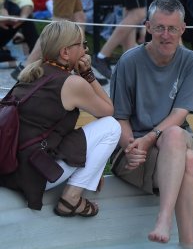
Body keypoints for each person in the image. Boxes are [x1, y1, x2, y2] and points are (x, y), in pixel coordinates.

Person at [109, 0, 193, 246]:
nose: (166, 35)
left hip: (174, 139)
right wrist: (131, 147)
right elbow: (120, 117)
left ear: (182, 29)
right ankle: (188, 245)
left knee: (173, 133)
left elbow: (180, 114)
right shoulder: (128, 61)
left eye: (172, 28)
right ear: (148, 27)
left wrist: (150, 137)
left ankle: (164, 220)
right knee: (191, 161)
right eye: (160, 27)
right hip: (136, 148)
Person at [0, 21, 119, 214]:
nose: (85, 50)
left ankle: (80, 185)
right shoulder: (71, 83)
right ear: (65, 52)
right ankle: (71, 199)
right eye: (82, 44)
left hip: (11, 171)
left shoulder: (32, 73)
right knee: (111, 127)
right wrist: (88, 74)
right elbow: (108, 110)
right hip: (36, 176)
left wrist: (93, 170)